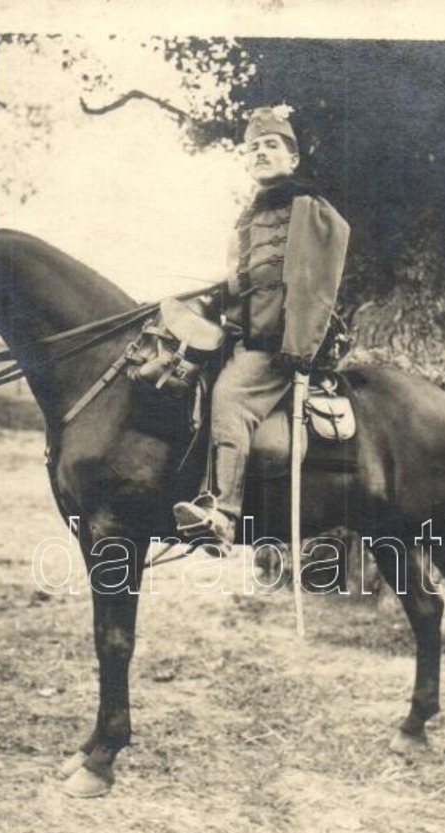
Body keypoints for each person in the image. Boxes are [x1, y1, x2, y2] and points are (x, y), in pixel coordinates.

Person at [173, 105, 350, 553]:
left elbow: (315, 282)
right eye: (253, 148)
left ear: (292, 159)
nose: (260, 152)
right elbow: (244, 282)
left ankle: (223, 515)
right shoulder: (247, 221)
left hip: (277, 345)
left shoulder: (309, 209)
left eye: (271, 145)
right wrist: (210, 302)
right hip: (241, 336)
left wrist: (298, 347)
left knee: (229, 396)